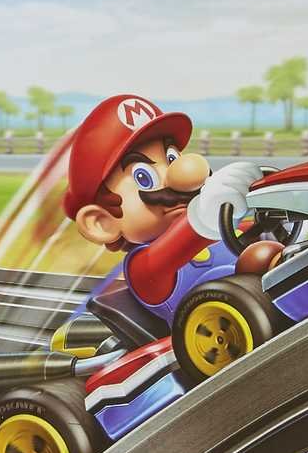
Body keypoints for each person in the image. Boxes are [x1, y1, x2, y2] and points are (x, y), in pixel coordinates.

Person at [63, 95, 261, 311]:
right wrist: (209, 210)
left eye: (172, 159)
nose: (180, 178)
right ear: (101, 223)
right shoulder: (144, 267)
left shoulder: (217, 230)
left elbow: (243, 231)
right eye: (143, 177)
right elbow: (180, 245)